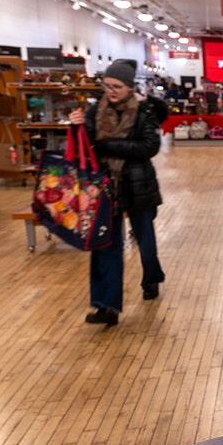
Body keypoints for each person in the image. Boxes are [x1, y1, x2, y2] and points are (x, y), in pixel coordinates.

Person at [69, 58, 168, 326]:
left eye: (117, 86)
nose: (110, 91)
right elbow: (86, 145)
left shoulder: (144, 111)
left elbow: (149, 147)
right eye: (107, 85)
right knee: (105, 244)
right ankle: (106, 306)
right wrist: (75, 126)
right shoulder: (94, 112)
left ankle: (151, 279)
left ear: (128, 87)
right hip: (104, 187)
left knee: (145, 238)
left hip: (138, 183)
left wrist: (109, 145)